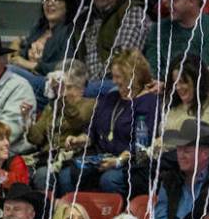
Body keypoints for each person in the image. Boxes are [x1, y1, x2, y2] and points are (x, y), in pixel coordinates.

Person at [61, 48, 159, 196]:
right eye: (113, 76)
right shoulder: (111, 97)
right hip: (101, 157)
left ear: (133, 76)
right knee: (65, 177)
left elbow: (141, 145)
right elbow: (92, 129)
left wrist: (118, 161)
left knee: (109, 180)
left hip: (129, 162)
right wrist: (79, 140)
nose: (114, 81)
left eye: (118, 77)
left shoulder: (147, 103)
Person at [77, 0, 149, 93]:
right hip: (89, 84)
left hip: (117, 82)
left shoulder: (132, 11)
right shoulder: (84, 19)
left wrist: (86, 84)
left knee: (84, 91)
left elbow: (124, 58)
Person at [143, 0, 209, 79]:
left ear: (191, 1)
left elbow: (201, 73)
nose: (164, 2)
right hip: (160, 89)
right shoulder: (158, 29)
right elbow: (152, 69)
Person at [7, 0, 73, 102]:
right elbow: (25, 45)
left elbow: (66, 65)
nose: (50, 4)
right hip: (30, 77)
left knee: (9, 72)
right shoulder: (40, 28)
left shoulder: (70, 31)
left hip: (48, 83)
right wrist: (17, 43)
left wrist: (30, 65)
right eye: (46, 0)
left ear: (67, 4)